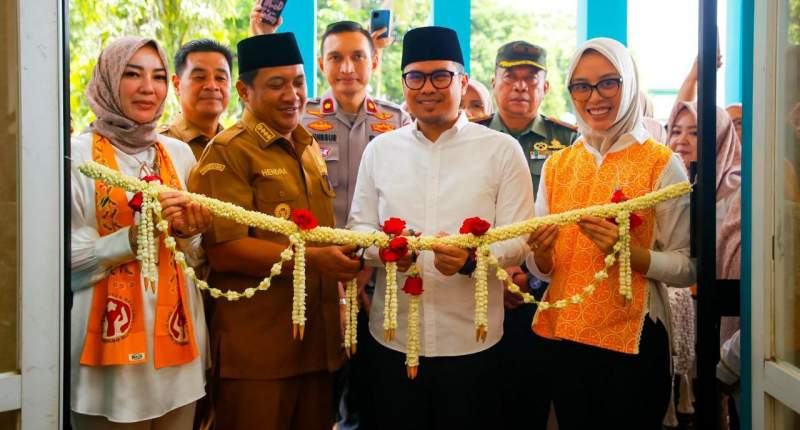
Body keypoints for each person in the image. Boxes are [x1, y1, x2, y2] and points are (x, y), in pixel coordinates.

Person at [348, 26, 534, 429]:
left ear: (463, 81)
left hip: (473, 342)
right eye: (416, 76)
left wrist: (471, 260)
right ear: (404, 83)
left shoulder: (501, 150)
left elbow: (520, 237)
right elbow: (359, 227)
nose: (427, 87)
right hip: (393, 339)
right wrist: (384, 250)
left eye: (440, 76)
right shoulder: (381, 150)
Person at [187, 33, 361, 430]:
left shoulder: (307, 146)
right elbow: (225, 250)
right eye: (276, 85)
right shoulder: (229, 152)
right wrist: (316, 261)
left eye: (298, 83)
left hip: (317, 349)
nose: (292, 95)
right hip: (259, 353)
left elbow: (320, 236)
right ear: (245, 91)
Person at [525, 38, 695, 429]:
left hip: (633, 343)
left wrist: (629, 255)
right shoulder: (557, 166)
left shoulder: (660, 163)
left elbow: (688, 268)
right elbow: (544, 269)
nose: (594, 96)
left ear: (630, 84)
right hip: (567, 340)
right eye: (581, 86)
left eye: (608, 83)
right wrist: (543, 254)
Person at [70, 36, 212, 429]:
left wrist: (191, 233)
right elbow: (62, 262)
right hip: (107, 363)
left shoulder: (177, 154)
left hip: (179, 350)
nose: (148, 88)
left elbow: (193, 259)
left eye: (158, 76)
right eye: (132, 74)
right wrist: (130, 241)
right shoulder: (77, 156)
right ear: (108, 80)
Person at [475, 40, 576, 430]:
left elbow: (568, 221)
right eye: (510, 77)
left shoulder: (566, 142)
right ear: (494, 82)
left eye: (530, 78)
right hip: (478, 288)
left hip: (541, 293)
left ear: (546, 87)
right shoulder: (471, 138)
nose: (520, 86)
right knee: (478, 401)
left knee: (530, 401)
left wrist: (529, 276)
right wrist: (498, 274)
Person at [158, 39, 232, 160]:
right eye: (200, 77)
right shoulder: (159, 146)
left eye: (220, 78)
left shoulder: (238, 146)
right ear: (177, 84)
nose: (212, 86)